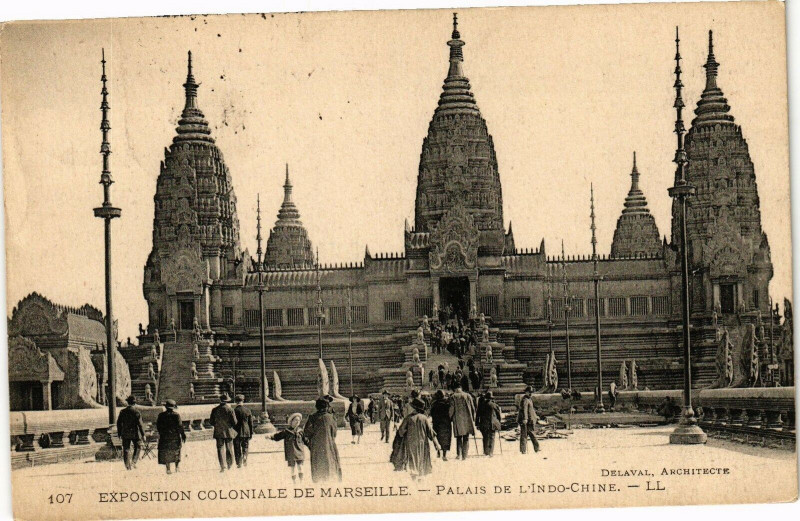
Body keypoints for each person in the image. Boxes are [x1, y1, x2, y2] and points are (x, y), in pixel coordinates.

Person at [397, 397, 441, 480]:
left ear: (413, 408)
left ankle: (414, 479)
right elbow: (431, 433)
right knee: (422, 460)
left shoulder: (408, 418)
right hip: (423, 443)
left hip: (411, 443)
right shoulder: (424, 418)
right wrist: (437, 444)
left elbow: (401, 432)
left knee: (413, 461)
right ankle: (420, 478)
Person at [303, 398, 342, 482]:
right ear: (327, 407)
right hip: (329, 444)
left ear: (316, 407)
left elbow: (306, 433)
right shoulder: (331, 417)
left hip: (316, 446)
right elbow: (334, 433)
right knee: (330, 462)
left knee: (318, 465)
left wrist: (310, 445)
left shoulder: (312, 417)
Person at [268, 412, 306, 482]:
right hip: (291, 452)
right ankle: (294, 482)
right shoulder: (286, 431)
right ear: (291, 421)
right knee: (292, 468)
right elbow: (278, 437)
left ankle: (301, 481)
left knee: (300, 466)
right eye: (296, 420)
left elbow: (305, 440)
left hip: (300, 451)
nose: (297, 422)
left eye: (298, 420)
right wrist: (271, 437)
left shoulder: (301, 431)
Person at [156, 399, 186, 474]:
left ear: (166, 407)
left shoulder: (161, 415)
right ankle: (177, 467)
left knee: (166, 451)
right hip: (174, 436)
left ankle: (168, 469)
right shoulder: (176, 415)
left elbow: (158, 426)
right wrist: (183, 435)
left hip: (165, 437)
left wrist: (161, 433)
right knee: (176, 451)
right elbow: (180, 426)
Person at [116, 395, 146, 470]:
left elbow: (119, 423)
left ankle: (127, 465)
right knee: (138, 447)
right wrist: (143, 434)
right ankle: (134, 462)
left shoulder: (122, 411)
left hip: (125, 433)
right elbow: (140, 424)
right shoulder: (136, 412)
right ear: (134, 403)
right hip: (135, 433)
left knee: (126, 449)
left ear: (127, 403)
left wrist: (119, 433)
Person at [209, 394, 238, 472]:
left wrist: (218, 425)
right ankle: (230, 465)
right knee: (229, 448)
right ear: (227, 401)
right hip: (228, 432)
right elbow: (235, 422)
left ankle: (223, 467)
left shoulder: (214, 410)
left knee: (220, 449)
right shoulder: (230, 409)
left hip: (218, 432)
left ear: (220, 400)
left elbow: (211, 422)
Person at [448, 382, 476, 460]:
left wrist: (449, 418)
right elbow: (473, 408)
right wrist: (473, 417)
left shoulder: (453, 397)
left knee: (459, 437)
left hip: (458, 419)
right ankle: (465, 455)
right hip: (467, 419)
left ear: (455, 388)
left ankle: (459, 454)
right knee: (466, 437)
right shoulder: (468, 395)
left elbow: (451, 409)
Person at [476, 391, 502, 456]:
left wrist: (477, 424)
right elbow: (498, 415)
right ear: (491, 398)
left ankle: (486, 451)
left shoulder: (481, 405)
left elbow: (478, 415)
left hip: (484, 423)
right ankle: (491, 452)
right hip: (492, 423)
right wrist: (499, 422)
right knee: (492, 437)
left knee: (485, 437)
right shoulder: (494, 405)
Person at [429, 390, 452, 461]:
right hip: (445, 423)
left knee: (437, 437)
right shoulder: (447, 404)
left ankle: (438, 451)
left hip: (437, 423)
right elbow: (450, 413)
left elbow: (431, 413)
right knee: (445, 439)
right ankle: (444, 455)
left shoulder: (434, 404)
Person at [518, 386, 540, 454]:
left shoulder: (529, 399)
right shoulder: (524, 400)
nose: (531, 394)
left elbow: (531, 410)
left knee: (531, 434)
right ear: (526, 392)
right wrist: (525, 418)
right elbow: (524, 410)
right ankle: (523, 450)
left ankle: (536, 448)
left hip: (530, 420)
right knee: (524, 435)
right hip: (526, 421)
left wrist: (535, 416)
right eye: (529, 392)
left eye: (531, 392)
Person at [233, 394, 254, 467]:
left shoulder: (234, 411)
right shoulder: (247, 410)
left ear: (236, 401)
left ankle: (239, 462)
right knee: (245, 445)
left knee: (237, 447)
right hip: (246, 430)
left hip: (236, 431)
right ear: (243, 401)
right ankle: (245, 456)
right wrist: (251, 432)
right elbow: (250, 423)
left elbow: (232, 422)